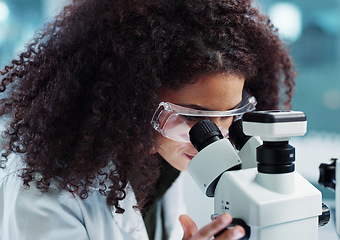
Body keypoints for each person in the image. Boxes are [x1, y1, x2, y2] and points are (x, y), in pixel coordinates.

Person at [0, 0, 296, 239]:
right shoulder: (47, 190)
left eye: (230, 115)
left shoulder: (161, 158)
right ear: (132, 100)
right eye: (194, 118)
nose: (215, 140)